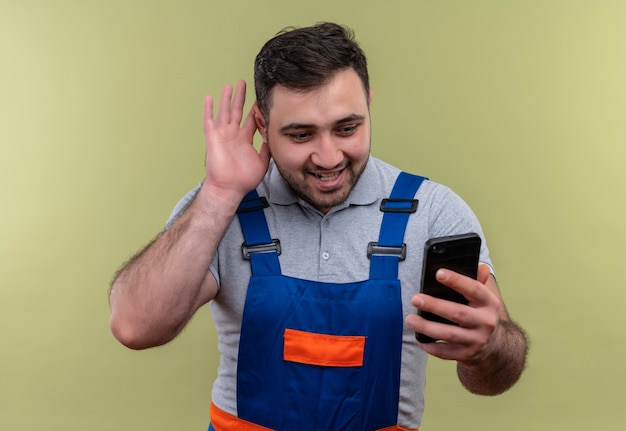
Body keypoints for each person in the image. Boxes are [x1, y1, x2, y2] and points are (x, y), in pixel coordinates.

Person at [109, 22, 528, 431]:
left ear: (369, 104)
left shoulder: (434, 214)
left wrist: (487, 350)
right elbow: (135, 327)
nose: (328, 158)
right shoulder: (220, 207)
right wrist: (219, 193)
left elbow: (493, 379)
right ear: (262, 125)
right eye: (300, 134)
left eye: (347, 128)